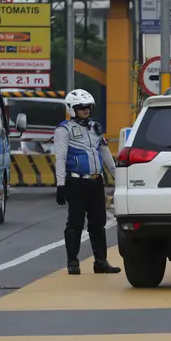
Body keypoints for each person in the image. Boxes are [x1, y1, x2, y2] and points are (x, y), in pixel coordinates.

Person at [55, 89, 121, 275]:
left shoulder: (95, 127)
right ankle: (73, 262)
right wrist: (60, 185)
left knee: (98, 223)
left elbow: (106, 154)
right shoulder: (64, 130)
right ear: (72, 109)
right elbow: (60, 158)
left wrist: (119, 177)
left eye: (88, 107)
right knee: (75, 223)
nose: (86, 110)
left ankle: (101, 261)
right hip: (76, 182)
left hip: (96, 181)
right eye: (81, 107)